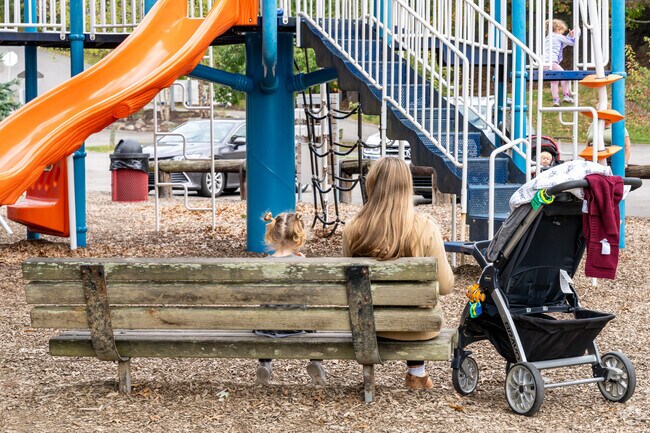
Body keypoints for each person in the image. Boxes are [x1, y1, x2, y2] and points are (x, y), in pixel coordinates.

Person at [341, 157, 455, 390]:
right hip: (418, 328)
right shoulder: (425, 227)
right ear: (407, 185)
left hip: (369, 326)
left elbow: (346, 283)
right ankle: (417, 373)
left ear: (372, 183)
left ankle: (372, 375)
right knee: (416, 304)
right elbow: (445, 286)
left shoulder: (353, 228)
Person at [254, 212, 328, 387]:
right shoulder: (303, 265)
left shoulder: (263, 265)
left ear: (272, 235)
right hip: (298, 327)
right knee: (312, 319)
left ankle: (265, 364)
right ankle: (316, 362)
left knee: (266, 314)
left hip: (267, 329)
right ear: (298, 238)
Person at [544, 19, 579, 107]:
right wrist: (577, 34)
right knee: (564, 75)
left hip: (543, 64)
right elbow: (572, 42)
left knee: (554, 81)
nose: (562, 34)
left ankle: (556, 99)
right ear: (557, 29)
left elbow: (562, 45)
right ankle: (566, 95)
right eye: (562, 32)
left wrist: (568, 36)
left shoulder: (549, 37)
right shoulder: (558, 36)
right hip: (552, 62)